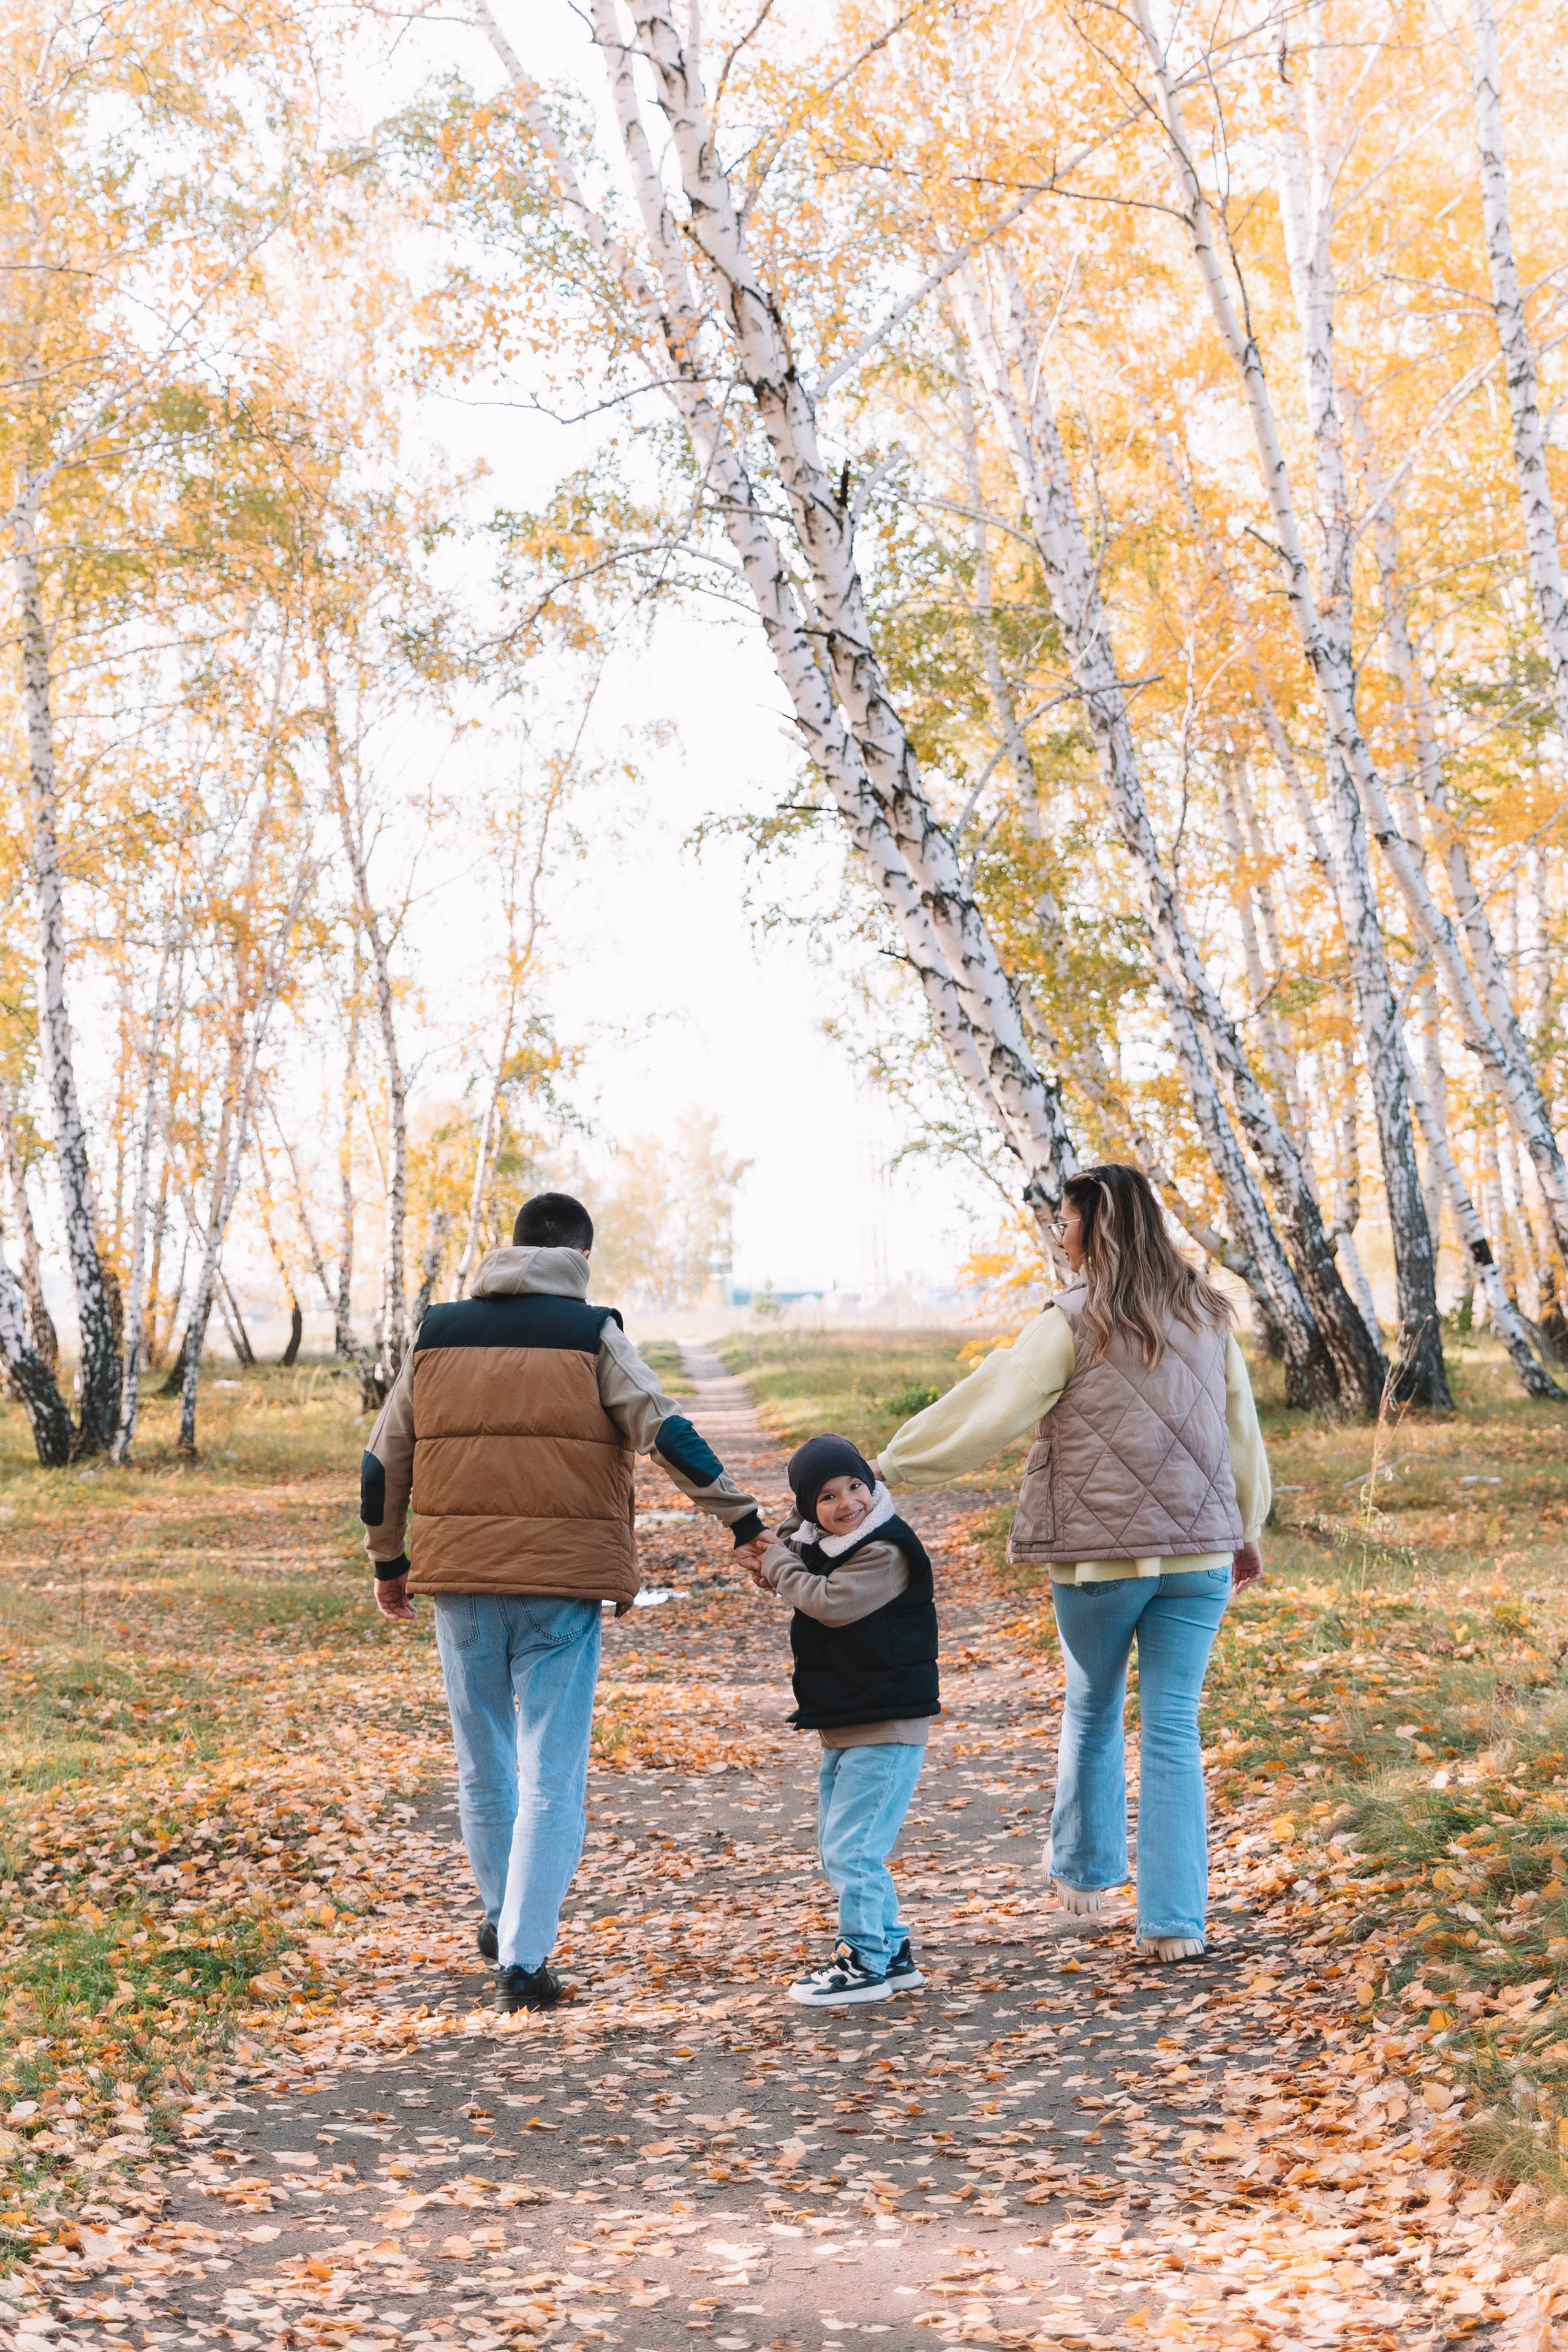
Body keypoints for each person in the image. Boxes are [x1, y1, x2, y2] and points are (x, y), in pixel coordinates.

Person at [362, 1190, 763, 2012]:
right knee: (552, 1774)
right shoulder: (593, 1334)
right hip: (562, 1589)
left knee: (483, 1765)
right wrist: (743, 1523)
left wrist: (387, 1560)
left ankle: (502, 1915)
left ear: (509, 1251)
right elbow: (667, 1431)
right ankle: (523, 1959)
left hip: (461, 1585)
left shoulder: (437, 1334)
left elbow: (382, 1462)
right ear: (580, 1260)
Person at [872, 1164, 1269, 1962]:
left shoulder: (1072, 1321)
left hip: (1100, 1565)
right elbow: (1241, 1431)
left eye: (1067, 1220)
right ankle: (1174, 1925)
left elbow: (993, 1404)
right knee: (1173, 1730)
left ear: (1098, 1227)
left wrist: (895, 1464)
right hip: (1198, 1561)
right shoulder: (1206, 1316)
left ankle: (1086, 1880)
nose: (1060, 1233)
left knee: (1092, 1708)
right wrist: (1246, 1525)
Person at [740, 1434, 939, 2007]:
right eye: (826, 1496)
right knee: (840, 1846)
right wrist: (771, 1548)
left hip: (889, 1720)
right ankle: (892, 1949)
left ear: (872, 1485)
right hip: (851, 1718)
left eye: (855, 1485)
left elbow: (828, 1602)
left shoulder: (886, 1549)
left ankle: (864, 1961)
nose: (847, 1502)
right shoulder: (829, 1541)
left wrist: (776, 1561)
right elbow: (793, 1548)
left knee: (854, 1849)